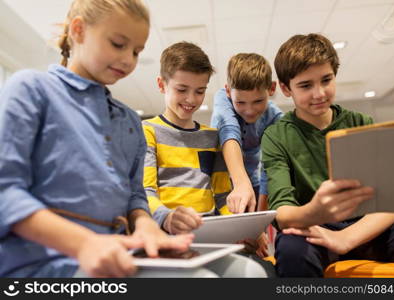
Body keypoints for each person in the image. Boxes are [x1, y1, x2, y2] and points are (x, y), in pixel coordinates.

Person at [0, 0, 194, 278]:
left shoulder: (129, 121)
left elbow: (135, 197)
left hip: (119, 257)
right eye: (118, 44)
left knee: (245, 272)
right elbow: (5, 192)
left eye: (137, 51)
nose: (129, 59)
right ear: (78, 31)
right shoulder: (32, 89)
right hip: (38, 265)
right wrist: (86, 244)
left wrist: (145, 226)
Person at [261, 33, 394, 277]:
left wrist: (345, 237)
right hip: (313, 228)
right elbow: (282, 214)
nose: (319, 93)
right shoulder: (276, 136)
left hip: (368, 226)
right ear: (285, 88)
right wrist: (317, 210)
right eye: (305, 85)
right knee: (291, 249)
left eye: (326, 80)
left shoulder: (360, 123)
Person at [142, 41, 268, 277]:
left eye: (200, 91)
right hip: (168, 237)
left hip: (211, 240)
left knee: (254, 273)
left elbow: (222, 196)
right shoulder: (147, 131)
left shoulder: (212, 137)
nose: (191, 99)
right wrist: (167, 217)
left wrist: (239, 229)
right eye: (182, 89)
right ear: (162, 84)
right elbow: (145, 192)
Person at [210, 53, 283, 214]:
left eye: (258, 101)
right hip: (218, 184)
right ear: (228, 91)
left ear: (271, 88)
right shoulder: (222, 98)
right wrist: (241, 183)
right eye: (240, 102)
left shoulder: (275, 117)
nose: (249, 111)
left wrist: (261, 216)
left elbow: (269, 166)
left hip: (253, 183)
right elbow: (229, 131)